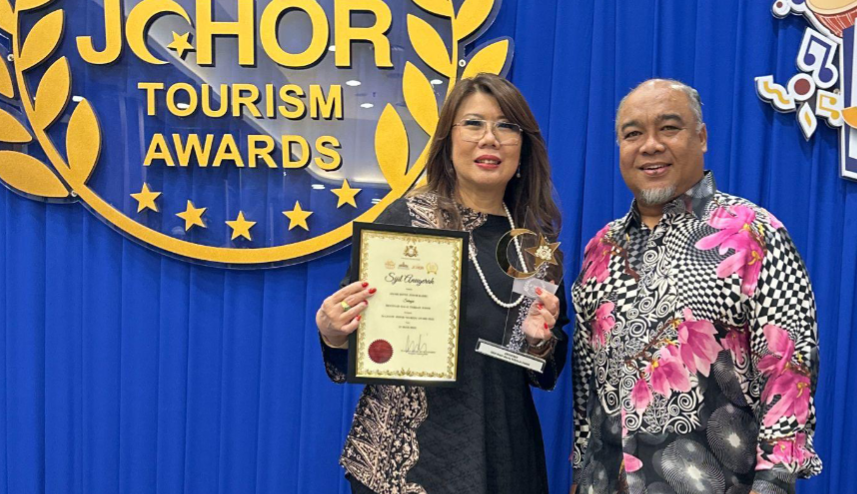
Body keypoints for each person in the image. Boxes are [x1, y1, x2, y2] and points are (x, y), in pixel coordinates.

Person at [317, 73, 569, 494]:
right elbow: (355, 349)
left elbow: (545, 375)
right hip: (406, 461)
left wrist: (540, 343)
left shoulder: (537, 249)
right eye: (473, 123)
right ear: (448, 142)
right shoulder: (404, 222)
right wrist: (333, 333)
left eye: (506, 126)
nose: (490, 138)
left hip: (502, 454)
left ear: (523, 148)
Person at [570, 79, 821, 494]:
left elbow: (789, 368)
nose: (650, 145)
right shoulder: (601, 249)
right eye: (633, 134)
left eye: (669, 128)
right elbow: (587, 388)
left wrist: (774, 482)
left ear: (701, 138)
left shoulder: (754, 232)